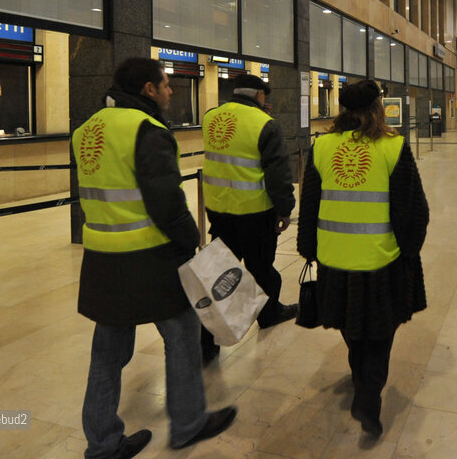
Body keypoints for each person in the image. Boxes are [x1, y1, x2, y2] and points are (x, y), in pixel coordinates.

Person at [74, 58, 236, 459]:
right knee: (182, 338)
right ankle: (188, 424)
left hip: (101, 258)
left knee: (107, 353)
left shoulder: (86, 129)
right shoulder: (146, 130)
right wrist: (190, 239)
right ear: (148, 89)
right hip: (151, 256)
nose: (170, 92)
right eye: (166, 85)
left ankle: (101, 443)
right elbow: (166, 200)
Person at [297, 79, 429, 438]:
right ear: (377, 107)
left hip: (334, 258)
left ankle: (359, 377)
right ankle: (368, 396)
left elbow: (309, 203)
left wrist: (308, 246)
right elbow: (413, 209)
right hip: (380, 258)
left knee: (349, 322)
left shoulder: (322, 146)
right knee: (381, 329)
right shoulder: (392, 146)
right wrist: (410, 250)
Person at [200, 73, 297, 363]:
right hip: (255, 213)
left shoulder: (210, 118)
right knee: (261, 268)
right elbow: (277, 174)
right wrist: (285, 209)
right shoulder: (264, 124)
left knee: (221, 275)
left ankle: (207, 342)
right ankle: (269, 313)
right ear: (259, 96)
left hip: (219, 210)